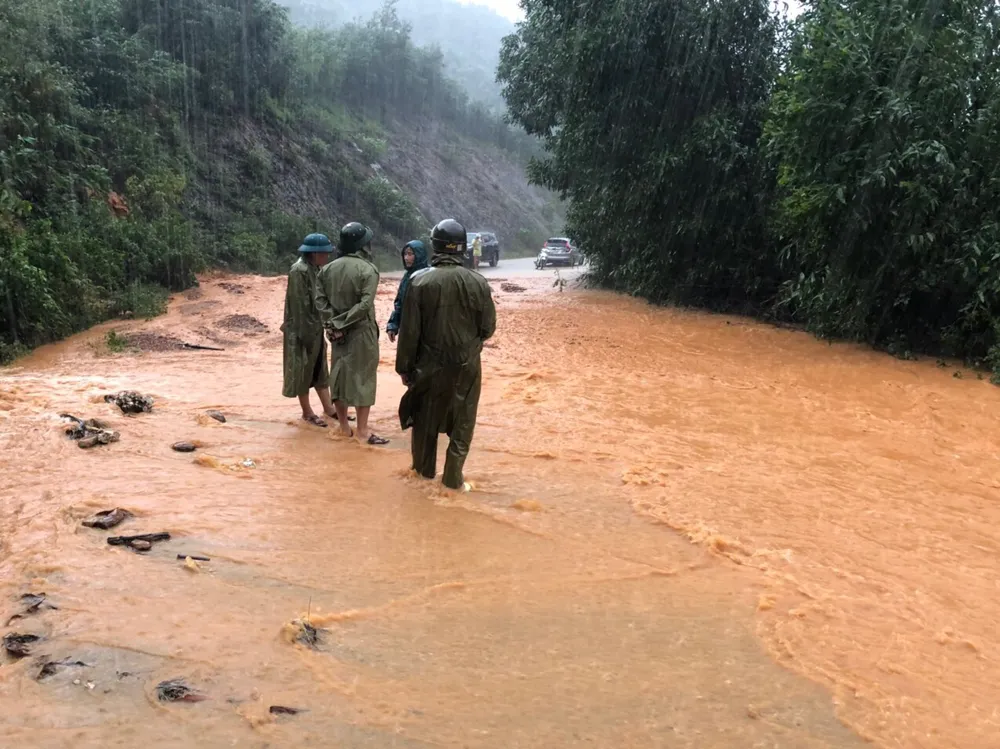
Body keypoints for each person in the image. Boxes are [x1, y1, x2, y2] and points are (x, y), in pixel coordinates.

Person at [396, 218, 497, 491]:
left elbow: (409, 333)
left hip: (427, 367)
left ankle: (422, 476)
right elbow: (488, 328)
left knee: (425, 422)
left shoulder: (418, 282)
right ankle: (453, 480)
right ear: (462, 248)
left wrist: (404, 368)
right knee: (463, 423)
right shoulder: (478, 282)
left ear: (435, 246)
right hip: (467, 365)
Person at [315, 222, 390, 445]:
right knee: (364, 378)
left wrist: (333, 324)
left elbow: (320, 302)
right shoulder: (368, 270)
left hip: (337, 335)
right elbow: (365, 305)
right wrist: (343, 322)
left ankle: (344, 428)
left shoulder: (326, 270)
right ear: (362, 245)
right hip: (361, 331)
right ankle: (363, 431)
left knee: (338, 376)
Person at [280, 233, 336, 427]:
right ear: (314, 253)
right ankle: (307, 412)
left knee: (320, 370)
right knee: (302, 370)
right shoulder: (299, 270)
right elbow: (299, 305)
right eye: (324, 253)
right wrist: (306, 334)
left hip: (314, 328)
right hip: (301, 331)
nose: (327, 257)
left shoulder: (314, 268)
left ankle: (329, 409)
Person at [386, 240, 429, 343]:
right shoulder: (406, 277)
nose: (406, 258)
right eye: (405, 254)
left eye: (410, 254)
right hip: (408, 329)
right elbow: (399, 303)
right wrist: (393, 325)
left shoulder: (429, 276)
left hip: (426, 332)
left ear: (419, 255)